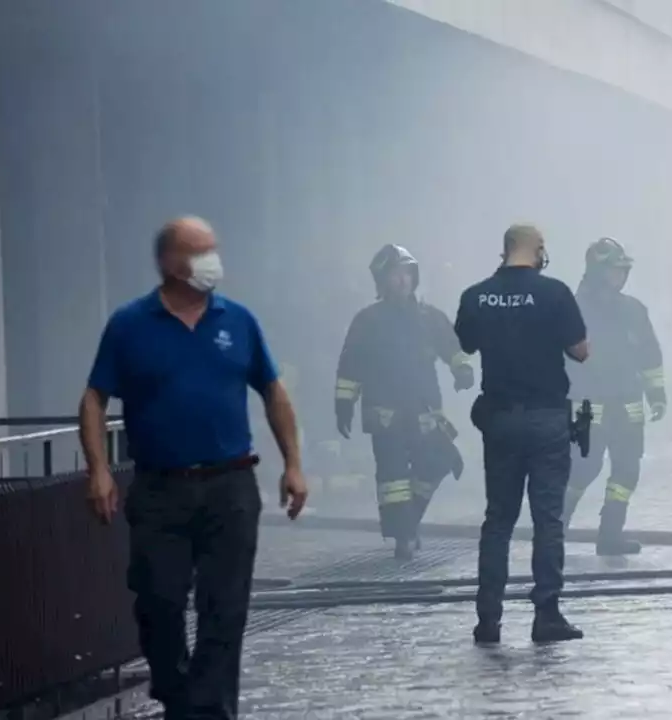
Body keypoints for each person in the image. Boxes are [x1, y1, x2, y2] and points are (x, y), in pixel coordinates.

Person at [79, 217, 307, 720]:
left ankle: (208, 711)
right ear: (168, 263)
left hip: (230, 485)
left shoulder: (237, 321)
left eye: (213, 250)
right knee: (158, 603)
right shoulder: (130, 325)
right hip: (161, 490)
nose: (212, 262)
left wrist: (293, 463)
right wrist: (97, 469)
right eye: (198, 252)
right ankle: (178, 692)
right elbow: (94, 398)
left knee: (224, 610)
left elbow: (271, 391)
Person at [454, 223, 587, 645]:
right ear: (538, 250)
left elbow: (467, 344)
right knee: (548, 520)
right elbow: (581, 351)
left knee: (498, 520)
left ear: (505, 249)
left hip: (500, 420)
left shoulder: (476, 296)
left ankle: (488, 619)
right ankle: (546, 615)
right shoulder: (554, 293)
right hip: (547, 418)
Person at [334, 244, 474, 560]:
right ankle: (404, 537)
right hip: (385, 415)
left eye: (407, 274)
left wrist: (461, 368)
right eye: (395, 275)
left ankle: (408, 523)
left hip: (425, 412)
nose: (402, 281)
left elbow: (452, 346)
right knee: (394, 478)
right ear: (382, 282)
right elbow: (350, 365)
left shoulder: (429, 318)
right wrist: (344, 402)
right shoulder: (367, 321)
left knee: (441, 459)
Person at [562, 237, 665, 556]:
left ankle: (610, 536)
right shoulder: (572, 310)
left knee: (626, 470)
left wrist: (657, 394)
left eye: (623, 271)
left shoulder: (633, 310)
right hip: (585, 407)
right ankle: (554, 528)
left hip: (627, 404)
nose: (620, 276)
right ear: (596, 271)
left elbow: (650, 355)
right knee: (583, 469)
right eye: (614, 270)